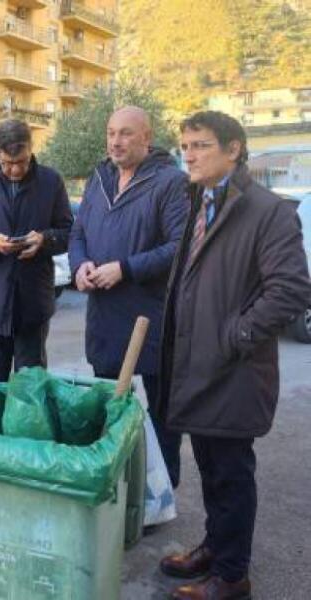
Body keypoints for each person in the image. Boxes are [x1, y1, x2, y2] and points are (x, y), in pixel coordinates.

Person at [157, 111, 311, 599]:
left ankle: (231, 575)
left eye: (200, 145)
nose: (189, 154)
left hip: (234, 370)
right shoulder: (199, 199)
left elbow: (290, 291)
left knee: (231, 473)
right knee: (211, 468)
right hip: (198, 366)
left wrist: (234, 335)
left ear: (234, 149)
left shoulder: (268, 211)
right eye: (185, 145)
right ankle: (214, 546)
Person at [68, 106, 188, 487]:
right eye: (110, 133)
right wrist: (80, 264)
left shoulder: (171, 182)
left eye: (125, 134)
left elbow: (179, 246)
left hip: (152, 319)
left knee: (162, 411)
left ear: (147, 138)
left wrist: (126, 268)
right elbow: (78, 233)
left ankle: (160, 490)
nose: (115, 142)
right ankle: (116, 483)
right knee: (109, 404)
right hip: (104, 316)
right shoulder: (99, 177)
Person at [0, 119, 73, 381]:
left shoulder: (51, 182)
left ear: (31, 149)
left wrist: (44, 239)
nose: (16, 170)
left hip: (33, 304)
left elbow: (68, 233)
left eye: (22, 161)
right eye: (8, 163)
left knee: (30, 393)